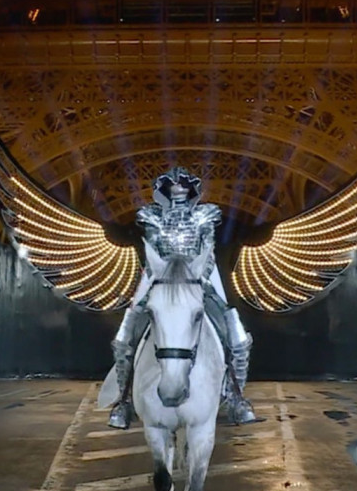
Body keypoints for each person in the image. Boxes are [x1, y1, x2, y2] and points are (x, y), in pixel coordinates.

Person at [107, 167, 255, 428]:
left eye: (183, 185)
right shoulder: (152, 217)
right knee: (123, 339)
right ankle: (124, 400)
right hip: (160, 278)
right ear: (164, 190)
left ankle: (236, 397)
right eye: (173, 185)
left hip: (197, 278)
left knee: (238, 338)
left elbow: (207, 252)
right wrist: (161, 281)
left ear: (191, 190)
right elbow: (153, 253)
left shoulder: (203, 216)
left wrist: (197, 279)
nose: (178, 189)